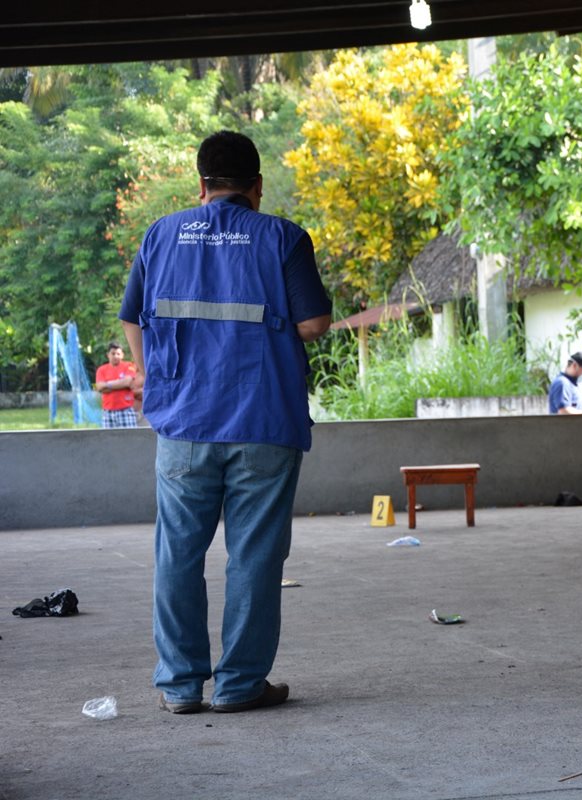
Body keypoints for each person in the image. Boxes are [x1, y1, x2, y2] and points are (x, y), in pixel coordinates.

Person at [118, 131, 331, 715]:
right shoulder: (283, 237)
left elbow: (133, 317)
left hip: (183, 423)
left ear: (201, 184)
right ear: (257, 187)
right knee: (256, 558)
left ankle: (181, 687)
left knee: (176, 556)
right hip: (264, 421)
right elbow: (314, 323)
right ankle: (239, 685)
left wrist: (148, 375)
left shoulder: (162, 235)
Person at [94, 342, 138, 428]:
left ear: (122, 355)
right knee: (108, 440)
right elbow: (99, 387)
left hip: (126, 410)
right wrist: (120, 384)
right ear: (108, 355)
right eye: (113, 353)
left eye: (118, 354)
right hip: (108, 411)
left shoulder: (130, 365)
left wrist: (107, 384)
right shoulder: (101, 369)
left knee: (130, 439)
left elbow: (127, 382)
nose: (115, 356)